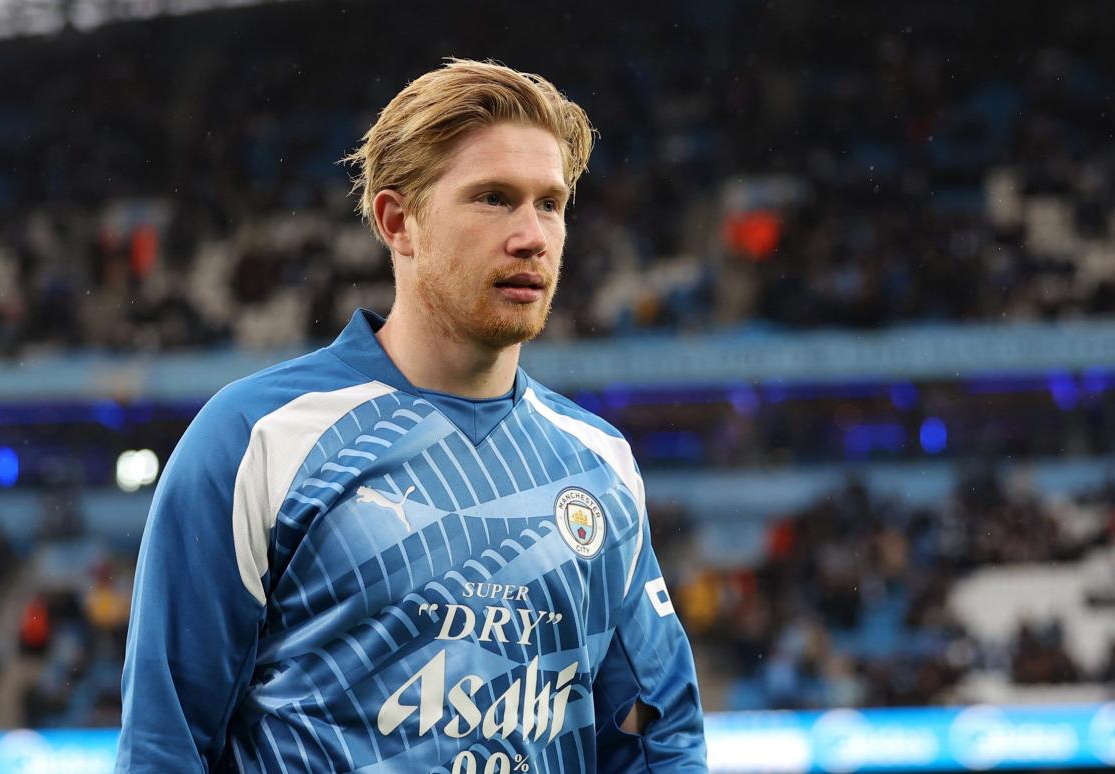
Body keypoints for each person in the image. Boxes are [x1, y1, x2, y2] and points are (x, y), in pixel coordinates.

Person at [116, 58, 706, 773]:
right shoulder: (259, 439)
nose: (532, 236)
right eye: (493, 198)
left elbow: (655, 738)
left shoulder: (599, 463)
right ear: (400, 222)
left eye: (549, 204)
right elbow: (164, 744)